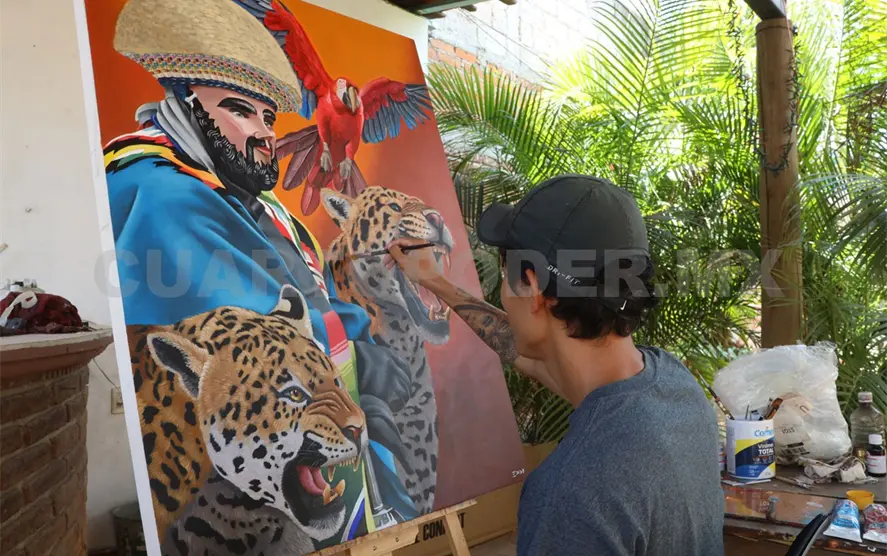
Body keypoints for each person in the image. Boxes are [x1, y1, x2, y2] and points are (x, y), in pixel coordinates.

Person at [103, 0, 418, 547]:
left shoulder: (250, 199)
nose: (265, 134)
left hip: (310, 443)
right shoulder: (160, 191)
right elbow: (262, 335)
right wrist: (362, 357)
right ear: (185, 104)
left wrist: (361, 341)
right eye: (241, 111)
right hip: (244, 480)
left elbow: (312, 293)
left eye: (268, 118)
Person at [389, 174, 725, 555]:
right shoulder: (677, 389)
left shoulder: (570, 495)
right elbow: (523, 349)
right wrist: (436, 283)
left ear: (533, 287)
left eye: (505, 274)